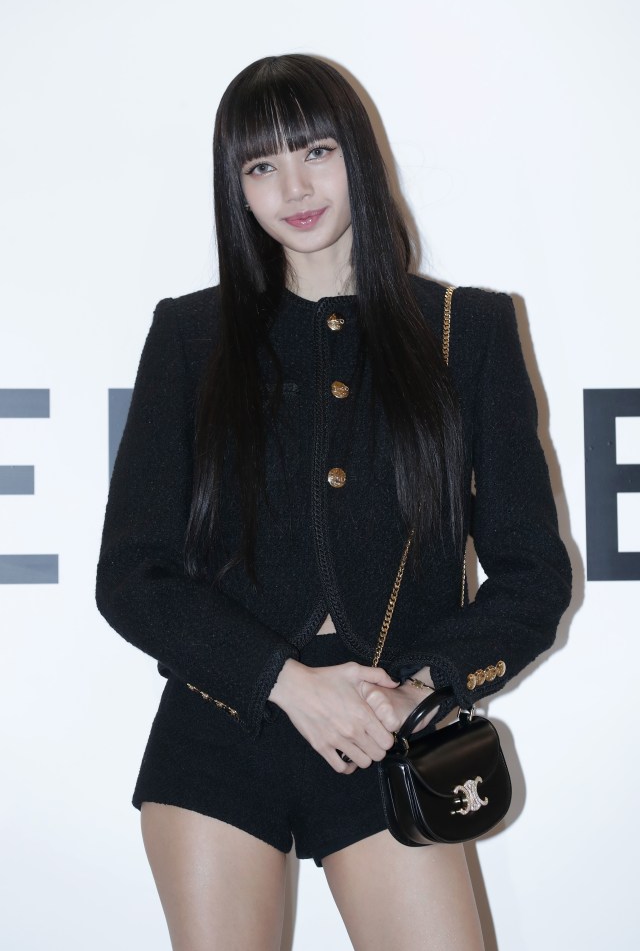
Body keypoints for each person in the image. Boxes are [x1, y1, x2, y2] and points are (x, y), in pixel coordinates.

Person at [96, 54, 571, 951]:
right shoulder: (191, 336)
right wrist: (285, 682)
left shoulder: (466, 331)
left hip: (389, 734)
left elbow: (532, 574)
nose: (295, 186)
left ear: (359, 152)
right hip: (220, 730)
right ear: (236, 187)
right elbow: (131, 575)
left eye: (315, 150)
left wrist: (418, 690)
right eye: (260, 165)